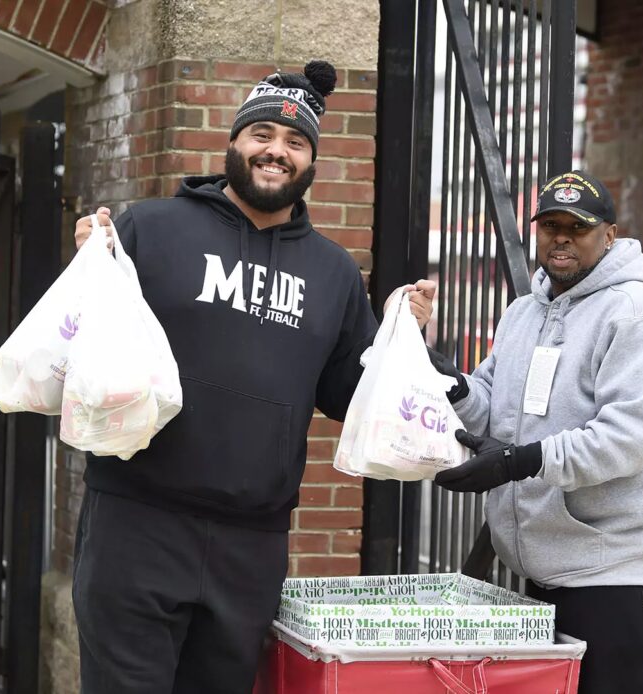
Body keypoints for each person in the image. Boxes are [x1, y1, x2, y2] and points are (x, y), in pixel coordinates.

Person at [70, 60, 436, 693]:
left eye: (296, 142)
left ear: (311, 161)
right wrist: (86, 267)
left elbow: (349, 397)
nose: (277, 151)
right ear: (233, 143)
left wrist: (403, 339)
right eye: (262, 134)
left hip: (252, 543)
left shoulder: (334, 274)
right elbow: (84, 344)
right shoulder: (149, 230)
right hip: (137, 522)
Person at [426, 170, 643, 694]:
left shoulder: (637, 317)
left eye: (578, 226)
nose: (561, 237)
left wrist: (519, 462)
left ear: (609, 236)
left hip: (614, 571)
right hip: (539, 572)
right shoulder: (524, 312)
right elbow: (491, 410)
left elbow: (628, 438)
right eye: (550, 226)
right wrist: (452, 384)